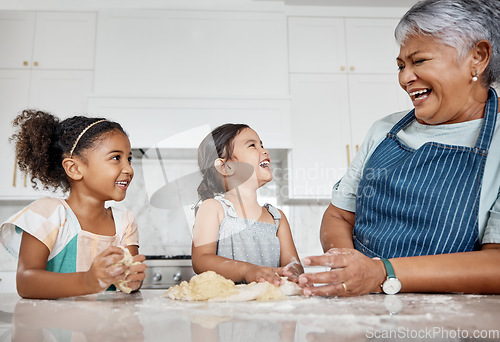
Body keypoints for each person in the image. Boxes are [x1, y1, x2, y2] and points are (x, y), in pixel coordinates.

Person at [298, 0, 500, 296]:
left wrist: (381, 273)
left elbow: (495, 264)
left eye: (419, 61)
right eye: (401, 66)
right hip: (367, 312)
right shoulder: (383, 131)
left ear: (477, 58)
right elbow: (339, 215)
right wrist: (348, 266)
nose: (405, 78)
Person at [0, 110, 146, 299]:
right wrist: (88, 281)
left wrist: (132, 279)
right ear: (74, 168)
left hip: (106, 326)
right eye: (116, 158)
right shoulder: (48, 213)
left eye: (129, 159)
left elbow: (129, 279)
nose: (129, 168)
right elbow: (26, 282)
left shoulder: (124, 221)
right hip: (53, 326)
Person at [191, 124, 303, 285]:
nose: (265, 151)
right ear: (225, 167)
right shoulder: (213, 208)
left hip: (271, 307)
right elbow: (201, 260)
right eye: (252, 145)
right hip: (225, 307)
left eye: (262, 145)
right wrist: (248, 271)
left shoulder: (277, 217)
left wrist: (292, 273)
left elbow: (294, 265)